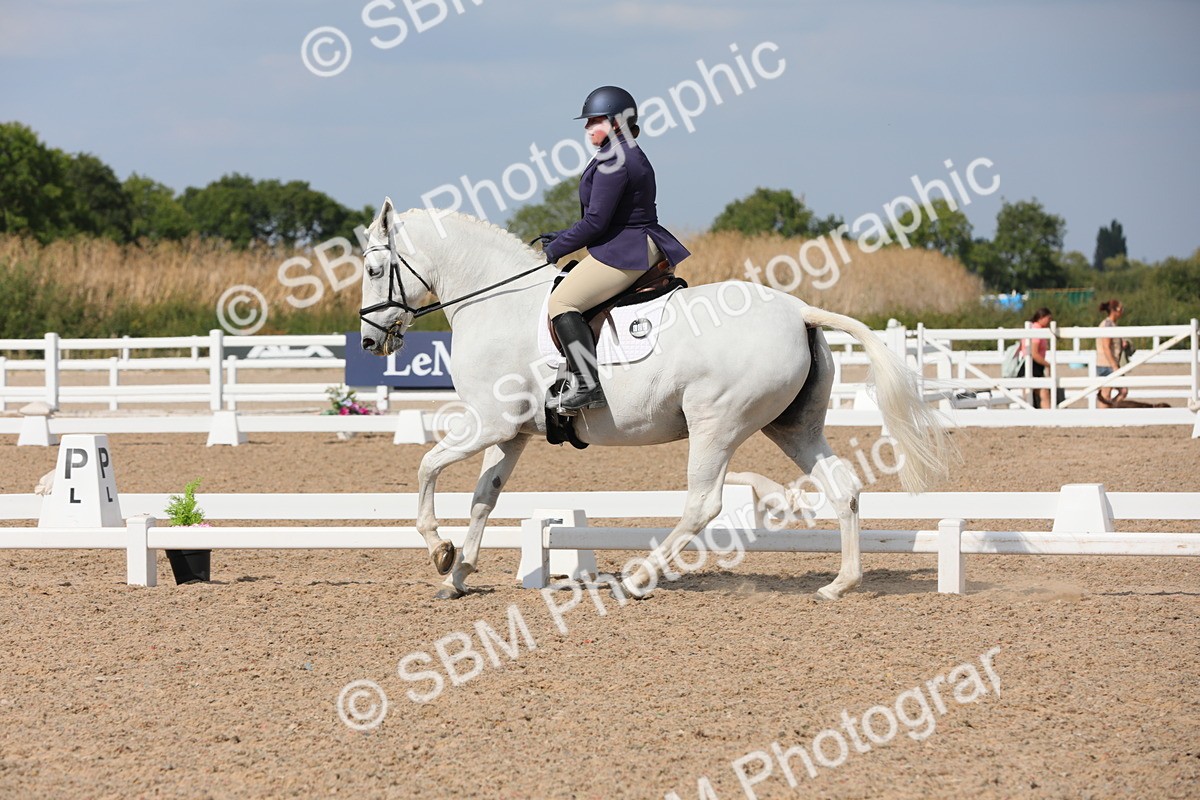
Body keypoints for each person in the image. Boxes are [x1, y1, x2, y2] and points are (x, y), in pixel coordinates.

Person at [537, 86, 691, 412]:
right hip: (631, 241)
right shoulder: (622, 152)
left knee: (561, 301)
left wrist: (558, 248)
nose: (587, 127)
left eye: (594, 120)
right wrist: (562, 235)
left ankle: (586, 384)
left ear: (616, 122)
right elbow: (607, 217)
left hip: (626, 249)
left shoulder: (615, 159)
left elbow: (595, 222)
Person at [1096, 299, 1128, 407]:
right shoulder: (1108, 325)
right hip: (1107, 363)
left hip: (1109, 363)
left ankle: (1109, 410)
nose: (1122, 311)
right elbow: (1106, 346)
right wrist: (1114, 365)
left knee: (1122, 391)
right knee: (1106, 394)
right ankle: (1105, 414)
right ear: (1114, 310)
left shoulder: (1111, 324)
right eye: (1120, 308)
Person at [1020, 307, 1054, 409]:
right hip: (1033, 365)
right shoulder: (1036, 330)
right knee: (1043, 393)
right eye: (1048, 318)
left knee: (1031, 394)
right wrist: (1048, 364)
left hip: (1033, 364)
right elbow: (1034, 353)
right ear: (1042, 317)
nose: (1049, 321)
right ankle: (1048, 415)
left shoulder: (1034, 329)